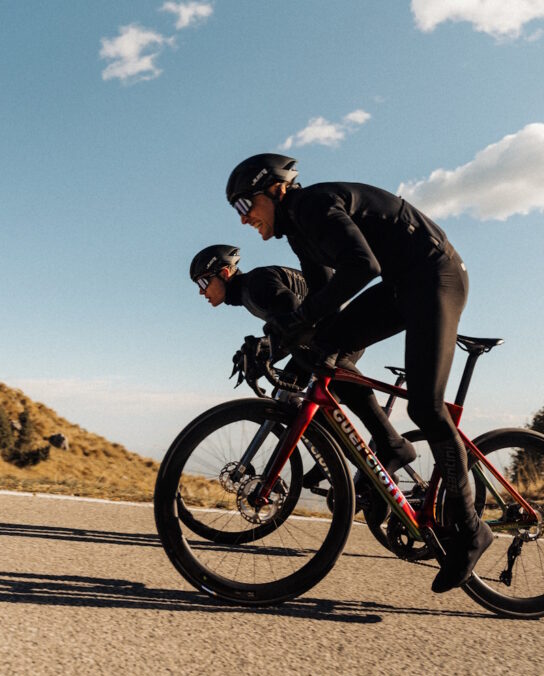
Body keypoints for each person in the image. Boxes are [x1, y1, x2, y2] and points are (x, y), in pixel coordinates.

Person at [225, 153, 492, 594]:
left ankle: (470, 529)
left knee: (426, 406)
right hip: (400, 285)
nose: (243, 219)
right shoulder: (299, 232)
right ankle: (389, 444)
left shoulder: (311, 205)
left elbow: (361, 267)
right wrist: (275, 341)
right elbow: (323, 302)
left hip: (435, 275)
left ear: (273, 189)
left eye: (244, 205)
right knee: (326, 346)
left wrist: (300, 322)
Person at [188, 244, 416, 498]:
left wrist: (266, 347)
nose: (202, 292)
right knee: (289, 395)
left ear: (225, 273)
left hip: (333, 333)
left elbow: (291, 310)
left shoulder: (255, 285)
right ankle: (333, 456)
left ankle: (389, 444)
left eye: (204, 282)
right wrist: (263, 351)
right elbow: (288, 325)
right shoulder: (249, 291)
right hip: (317, 335)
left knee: (326, 374)